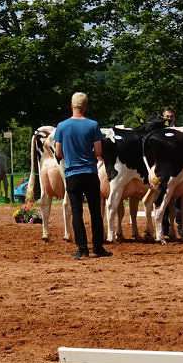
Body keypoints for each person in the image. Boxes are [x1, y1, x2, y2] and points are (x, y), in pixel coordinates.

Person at [54, 91, 110, 260]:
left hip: (72, 174)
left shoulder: (62, 126)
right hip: (90, 173)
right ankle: (98, 247)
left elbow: (58, 152)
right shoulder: (93, 125)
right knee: (95, 211)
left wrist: (71, 157)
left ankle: (82, 249)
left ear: (71, 105)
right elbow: (99, 151)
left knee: (76, 212)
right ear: (85, 106)